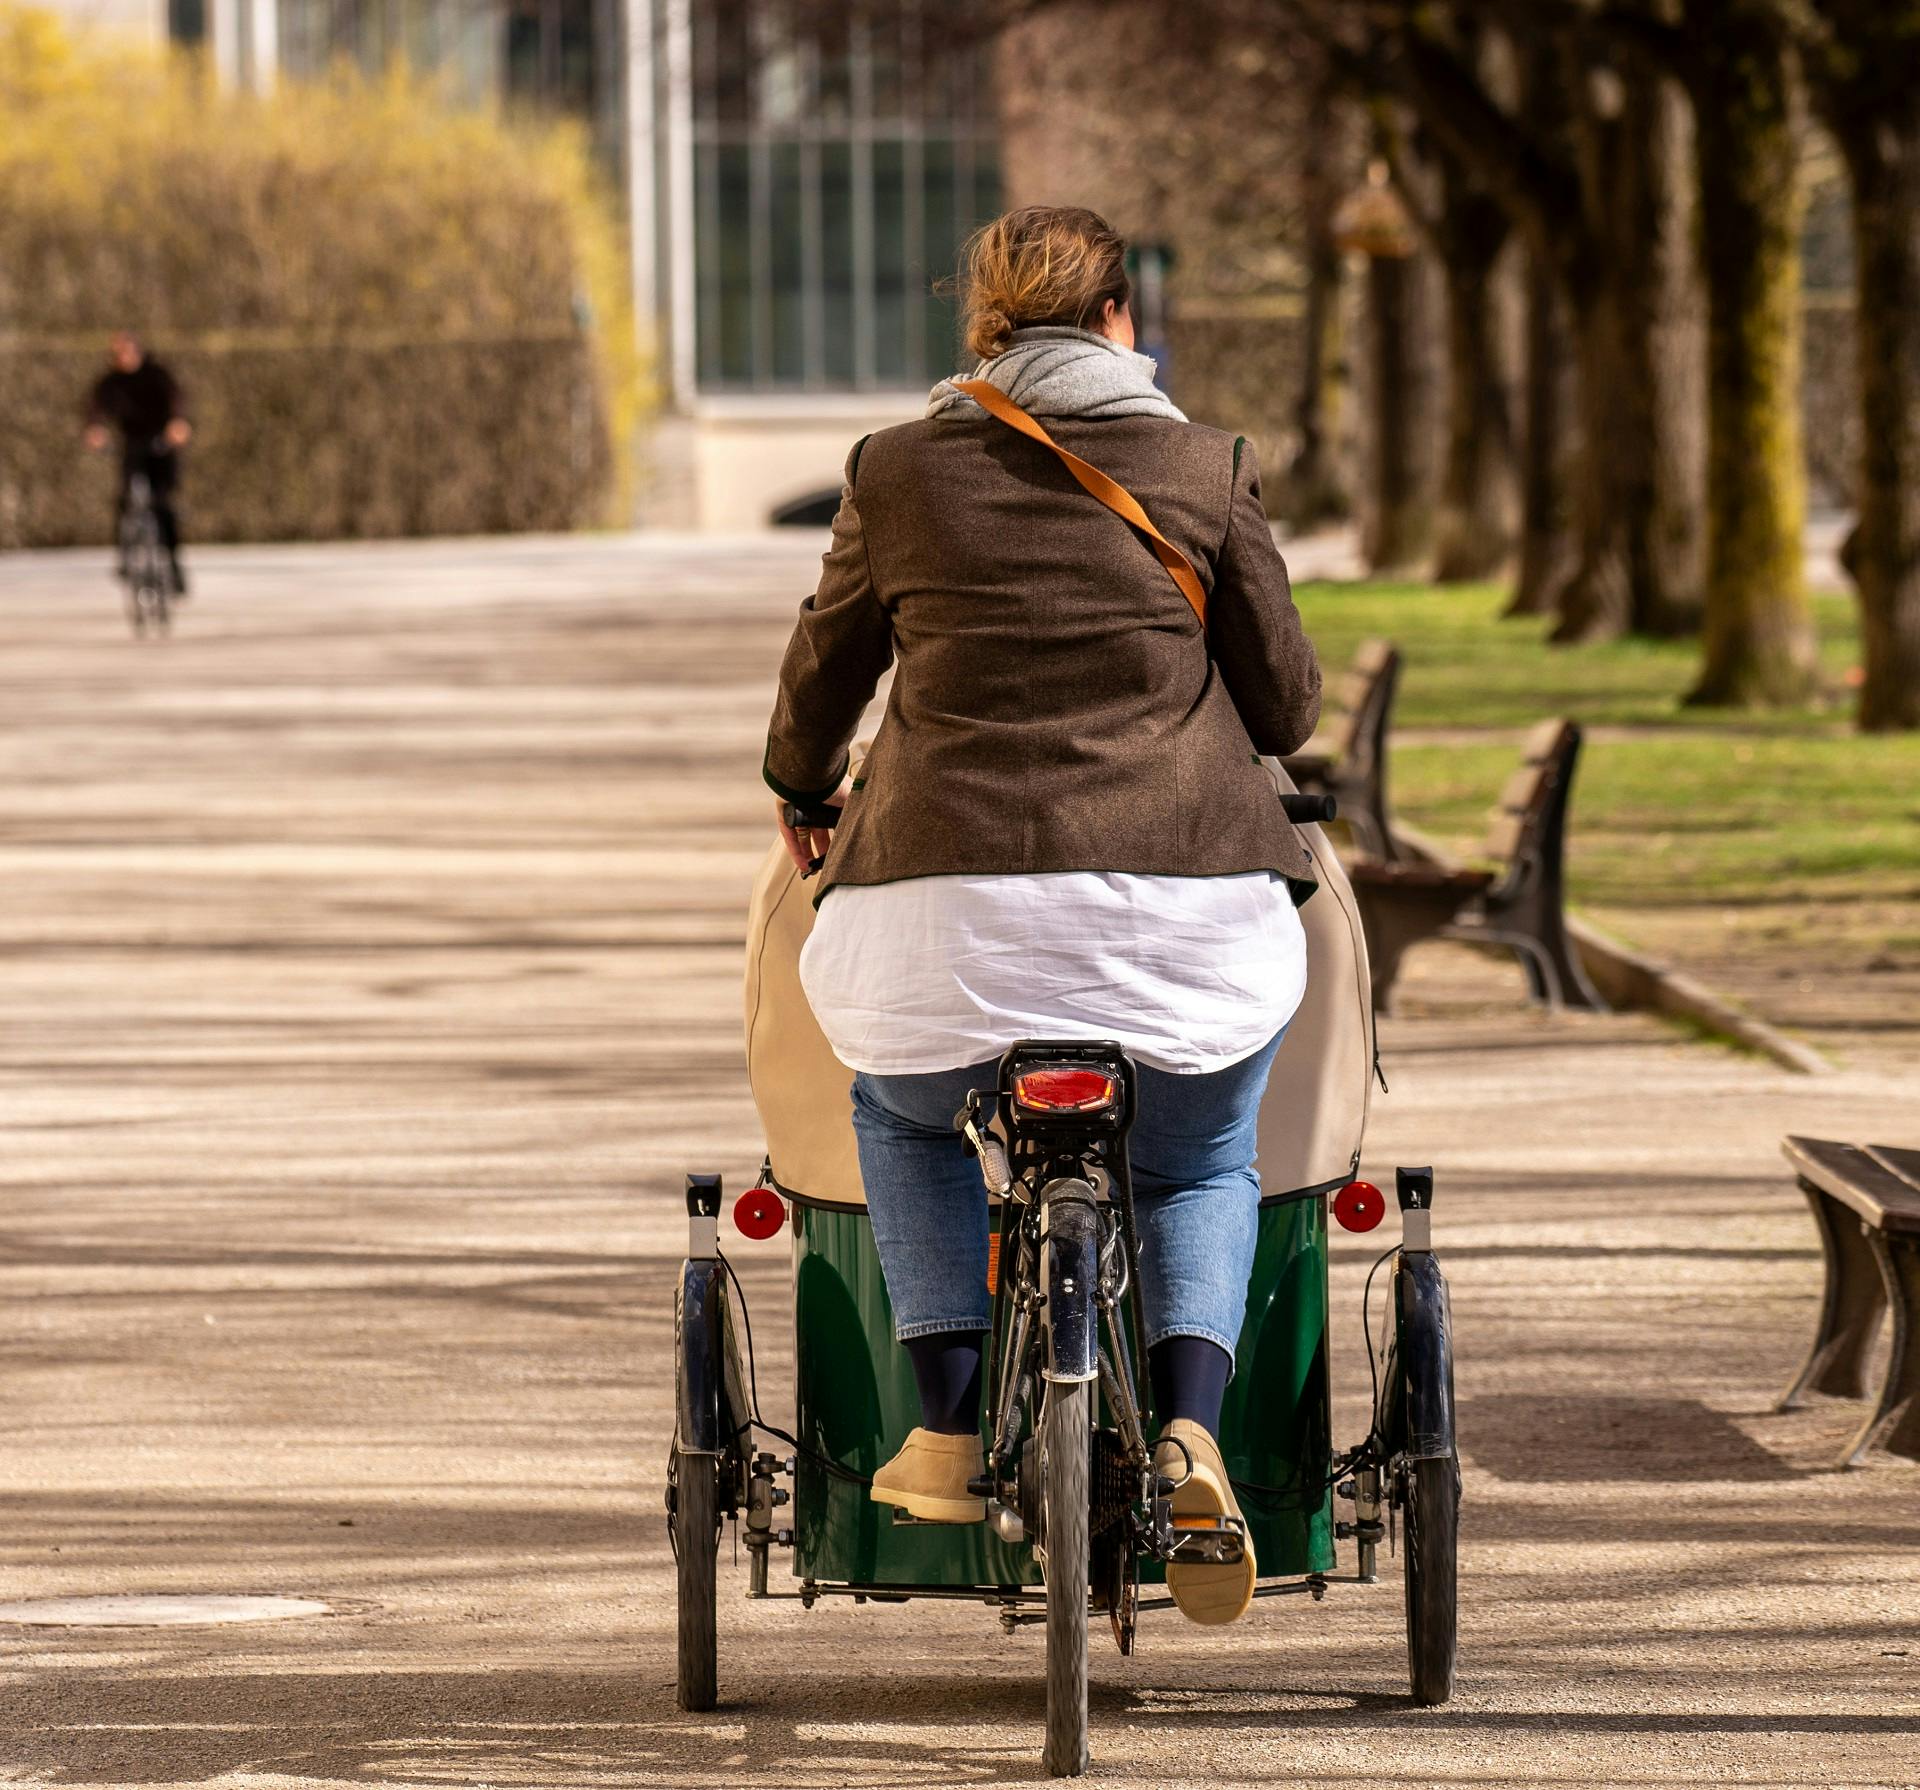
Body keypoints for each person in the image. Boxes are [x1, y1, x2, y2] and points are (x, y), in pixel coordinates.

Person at [761, 206, 1322, 1627]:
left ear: (986, 332)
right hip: (1179, 905)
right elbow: (1290, 704)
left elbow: (823, 673)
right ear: (1124, 321)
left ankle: (946, 1420)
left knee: (902, 1112)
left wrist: (800, 785)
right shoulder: (1205, 465)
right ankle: (1192, 1428)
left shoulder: (896, 472)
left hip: (943, 912)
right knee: (1197, 1157)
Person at [84, 331, 191, 596]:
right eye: (118, 354)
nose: (124, 358)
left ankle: (175, 567)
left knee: (163, 505)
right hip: (132, 445)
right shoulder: (111, 382)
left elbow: (176, 399)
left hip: (160, 445)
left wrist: (177, 424)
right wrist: (95, 429)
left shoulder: (156, 375)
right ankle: (125, 558)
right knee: (124, 500)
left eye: (128, 352)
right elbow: (95, 408)